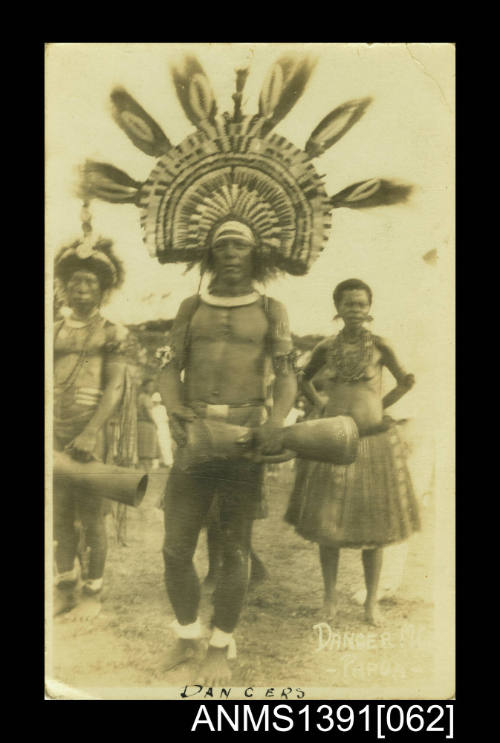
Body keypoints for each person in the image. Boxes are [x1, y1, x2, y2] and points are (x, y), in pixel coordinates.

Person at [158, 219, 297, 685]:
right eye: (223, 244)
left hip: (244, 436)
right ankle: (185, 633)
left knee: (235, 548)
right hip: (194, 435)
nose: (231, 251)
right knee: (176, 547)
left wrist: (276, 421)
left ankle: (220, 645)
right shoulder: (190, 306)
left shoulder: (272, 308)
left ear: (255, 253)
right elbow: (169, 368)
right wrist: (176, 411)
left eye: (240, 243)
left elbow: (287, 374)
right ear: (210, 253)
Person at [285, 279, 420, 626]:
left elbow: (406, 380)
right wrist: (319, 403)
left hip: (373, 440)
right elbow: (301, 376)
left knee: (375, 528)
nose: (356, 310)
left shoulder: (381, 346)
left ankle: (371, 603)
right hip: (333, 438)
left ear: (369, 307)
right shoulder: (326, 346)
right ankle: (329, 600)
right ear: (338, 308)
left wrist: (379, 406)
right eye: (349, 304)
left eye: (361, 304)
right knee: (327, 524)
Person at [53, 237, 134, 618]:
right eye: (75, 281)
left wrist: (90, 432)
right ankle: (65, 585)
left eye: (89, 282)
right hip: (54, 431)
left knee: (91, 514)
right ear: (64, 286)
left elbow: (115, 387)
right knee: (57, 514)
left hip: (93, 432)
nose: (81, 288)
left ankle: (93, 591)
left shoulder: (113, 332)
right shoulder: (53, 330)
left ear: (103, 289)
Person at [137, 379, 159, 471]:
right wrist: (154, 423)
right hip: (146, 424)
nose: (151, 388)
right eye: (149, 386)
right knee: (146, 450)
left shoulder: (142, 397)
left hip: (143, 424)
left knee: (145, 450)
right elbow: (147, 412)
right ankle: (144, 470)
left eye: (152, 386)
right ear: (144, 386)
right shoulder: (144, 397)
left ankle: (145, 469)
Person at [151, 391, 173, 468]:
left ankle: (168, 462)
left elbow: (166, 419)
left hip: (163, 427)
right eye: (155, 401)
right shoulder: (152, 409)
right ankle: (156, 463)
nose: (156, 403)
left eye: (157, 401)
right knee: (156, 445)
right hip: (156, 427)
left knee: (165, 444)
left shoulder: (163, 408)